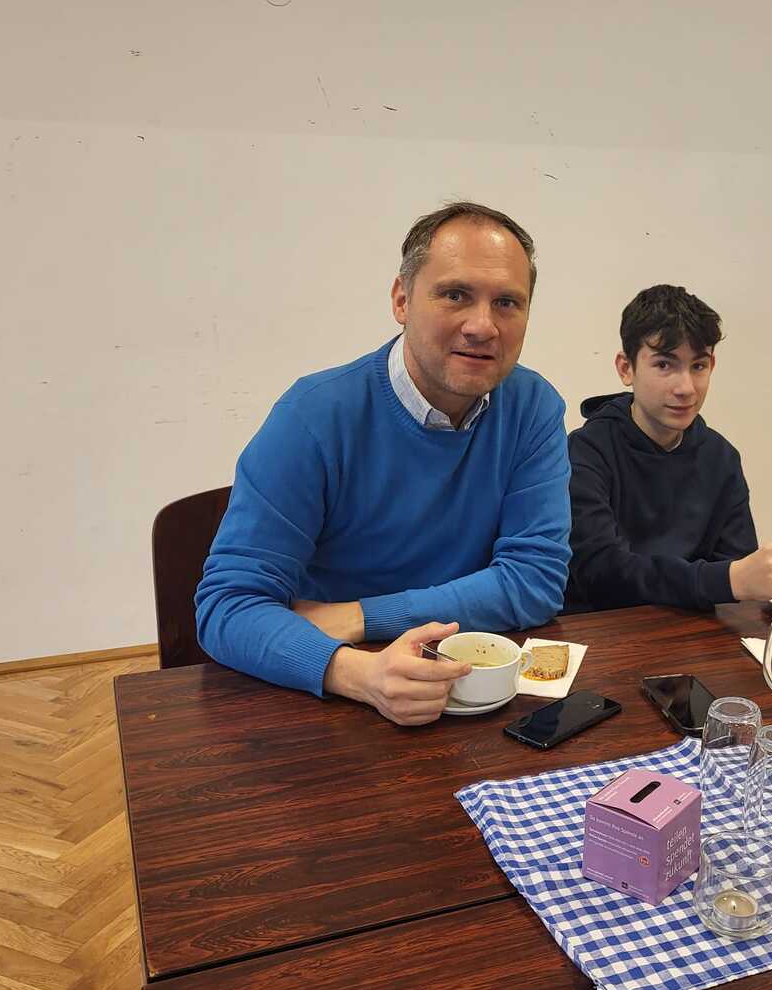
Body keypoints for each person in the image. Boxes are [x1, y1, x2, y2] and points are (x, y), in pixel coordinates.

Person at [196, 203, 571, 725]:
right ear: (401, 299)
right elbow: (229, 605)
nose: (482, 326)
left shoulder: (533, 408)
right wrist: (357, 673)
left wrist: (361, 616)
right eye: (455, 295)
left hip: (471, 686)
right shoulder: (312, 416)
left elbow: (536, 580)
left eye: (507, 302)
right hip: (330, 691)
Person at [563, 284, 772, 612]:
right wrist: (727, 579)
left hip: (693, 626)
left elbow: (734, 565)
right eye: (664, 365)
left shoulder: (721, 456)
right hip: (604, 628)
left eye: (698, 366)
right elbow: (601, 574)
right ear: (625, 368)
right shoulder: (585, 452)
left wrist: (765, 573)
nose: (686, 388)